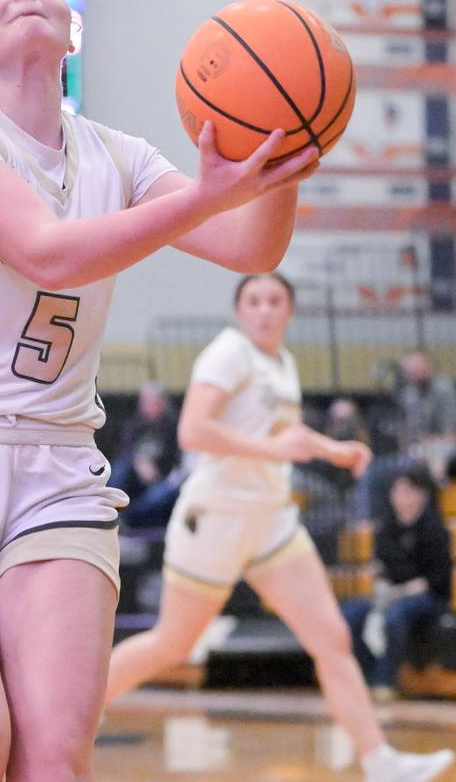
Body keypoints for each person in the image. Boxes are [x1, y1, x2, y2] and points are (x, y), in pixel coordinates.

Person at [0, 0, 321, 782]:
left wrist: (285, 149)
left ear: (72, 31)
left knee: (52, 760)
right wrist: (206, 193)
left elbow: (251, 245)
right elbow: (46, 251)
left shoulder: (120, 156)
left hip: (57, 467)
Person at [106, 273, 453, 782]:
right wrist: (272, 450)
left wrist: (330, 449)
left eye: (274, 300)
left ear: (289, 310)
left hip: (271, 520)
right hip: (218, 516)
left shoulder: (283, 363)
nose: (265, 309)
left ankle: (380, 761)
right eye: (254, 300)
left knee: (332, 638)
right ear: (239, 311)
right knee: (172, 644)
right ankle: (66, 721)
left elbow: (283, 432)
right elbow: (193, 430)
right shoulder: (229, 353)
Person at [341, 464, 453, 703]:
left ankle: (385, 682)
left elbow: (438, 579)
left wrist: (404, 589)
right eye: (396, 490)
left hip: (428, 598)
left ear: (421, 495)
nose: (398, 496)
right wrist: (379, 575)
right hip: (390, 594)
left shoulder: (435, 530)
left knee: (397, 615)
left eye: (405, 490)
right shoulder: (387, 527)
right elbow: (384, 567)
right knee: (350, 614)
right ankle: (367, 678)